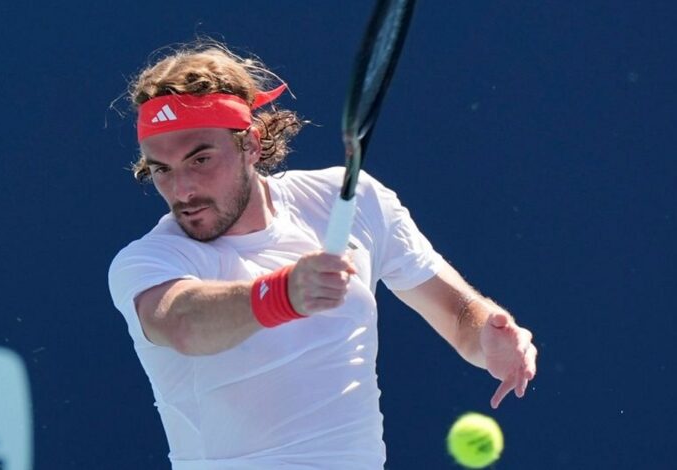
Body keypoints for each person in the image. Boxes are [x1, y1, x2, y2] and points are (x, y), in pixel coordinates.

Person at [108, 41, 537, 470]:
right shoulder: (151, 260)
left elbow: (459, 316)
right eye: (161, 169)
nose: (182, 190)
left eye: (200, 159)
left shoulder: (351, 201)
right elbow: (181, 322)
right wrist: (284, 294)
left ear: (250, 144)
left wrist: (488, 336)